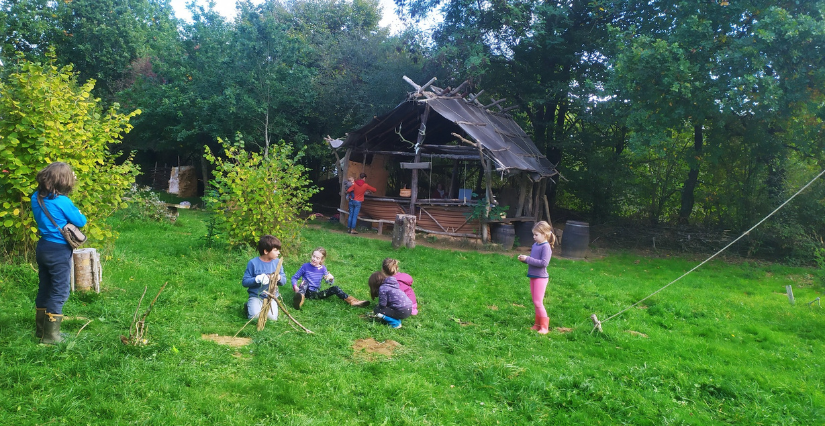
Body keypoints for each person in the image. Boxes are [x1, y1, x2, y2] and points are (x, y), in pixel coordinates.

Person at [31, 162, 87, 344]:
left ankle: (41, 331)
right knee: (60, 291)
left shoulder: (35, 198)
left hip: (43, 247)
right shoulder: (63, 201)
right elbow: (81, 220)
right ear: (64, 181)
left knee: (45, 287)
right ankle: (52, 337)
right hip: (58, 250)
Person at [291, 247, 369, 309]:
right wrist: (295, 287)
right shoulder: (305, 266)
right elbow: (294, 277)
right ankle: (299, 301)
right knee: (305, 282)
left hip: (316, 294)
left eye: (317, 258)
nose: (314, 259)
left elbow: (328, 282)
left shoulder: (323, 269)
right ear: (311, 255)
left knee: (335, 288)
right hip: (305, 292)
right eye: (313, 256)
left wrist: (330, 279)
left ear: (321, 259)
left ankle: (352, 301)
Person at [517, 221, 556, 334]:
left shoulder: (546, 247)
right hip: (533, 276)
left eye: (536, 235)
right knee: (535, 302)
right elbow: (534, 262)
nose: (534, 237)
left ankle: (544, 327)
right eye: (533, 234)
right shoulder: (535, 245)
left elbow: (544, 263)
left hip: (541, 278)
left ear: (544, 234)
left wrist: (528, 259)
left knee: (538, 302)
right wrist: (524, 260)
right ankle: (537, 324)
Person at [241, 235, 287, 321]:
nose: (279, 252)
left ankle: (267, 307)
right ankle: (248, 306)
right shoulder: (253, 263)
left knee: (272, 319)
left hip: (271, 297)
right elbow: (245, 282)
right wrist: (256, 279)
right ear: (266, 251)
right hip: (256, 296)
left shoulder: (277, 263)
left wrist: (279, 278)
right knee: (255, 318)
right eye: (276, 250)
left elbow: (284, 281)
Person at [372, 258, 413, 329]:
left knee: (377, 310)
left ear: (382, 269)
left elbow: (382, 305)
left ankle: (395, 323)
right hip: (409, 309)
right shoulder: (395, 282)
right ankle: (396, 316)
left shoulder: (383, 287)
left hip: (402, 311)